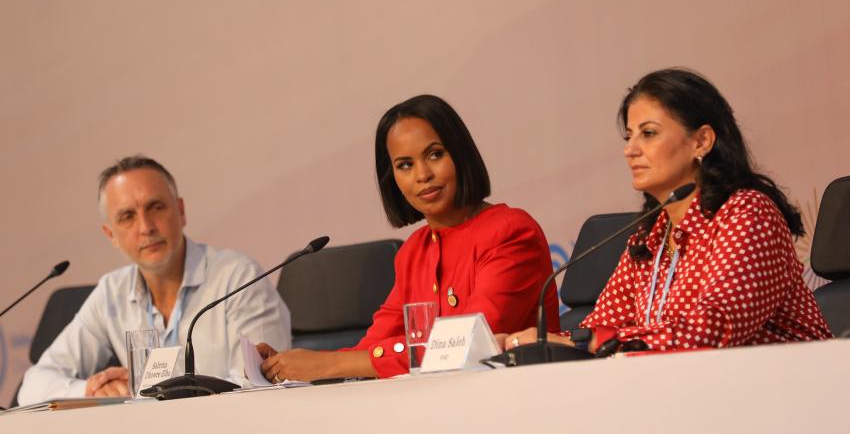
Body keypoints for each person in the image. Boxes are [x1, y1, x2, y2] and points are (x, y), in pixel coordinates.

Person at [505, 68, 831, 353]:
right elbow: (601, 326)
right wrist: (541, 344)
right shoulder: (652, 235)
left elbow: (714, 330)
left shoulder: (746, 213)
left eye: (648, 134)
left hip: (786, 396)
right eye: (629, 136)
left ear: (701, 141)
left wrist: (586, 342)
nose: (629, 150)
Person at [257, 94, 559, 381]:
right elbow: (373, 346)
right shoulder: (414, 251)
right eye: (405, 165)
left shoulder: (511, 232)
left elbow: (466, 347)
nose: (422, 174)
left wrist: (327, 364)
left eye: (435, 155)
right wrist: (287, 364)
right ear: (393, 178)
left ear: (461, 155)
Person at [17, 156, 291, 404]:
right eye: (127, 217)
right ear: (110, 234)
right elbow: (33, 385)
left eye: (156, 207)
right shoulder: (112, 292)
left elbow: (263, 382)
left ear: (181, 211)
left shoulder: (237, 277)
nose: (146, 227)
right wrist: (91, 389)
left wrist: (175, 393)